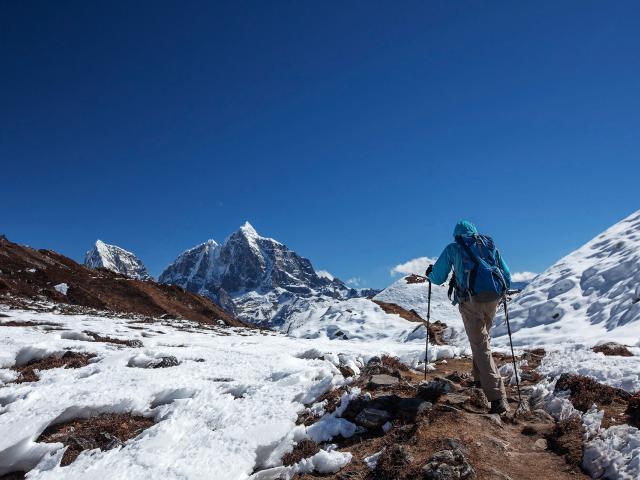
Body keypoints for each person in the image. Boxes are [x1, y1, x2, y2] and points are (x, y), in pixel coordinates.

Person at [426, 220, 512, 414]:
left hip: (470, 300)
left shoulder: (454, 248)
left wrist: (430, 274)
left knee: (481, 345)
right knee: (482, 342)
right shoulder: (489, 246)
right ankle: (479, 381)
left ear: (457, 235)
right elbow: (507, 276)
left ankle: (497, 397)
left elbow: (438, 278)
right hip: (493, 299)